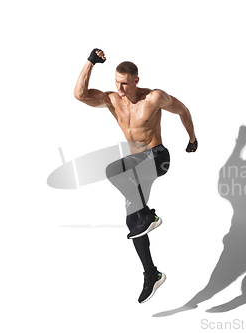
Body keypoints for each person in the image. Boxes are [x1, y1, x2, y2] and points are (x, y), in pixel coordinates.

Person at [74, 48, 198, 303]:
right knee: (134, 224)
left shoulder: (154, 98)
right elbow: (80, 95)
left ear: (136, 81)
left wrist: (192, 139)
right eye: (116, 83)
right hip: (137, 168)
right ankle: (152, 274)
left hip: (158, 158)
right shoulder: (112, 99)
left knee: (113, 169)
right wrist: (90, 62)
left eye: (124, 83)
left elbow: (183, 110)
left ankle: (148, 214)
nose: (119, 88)